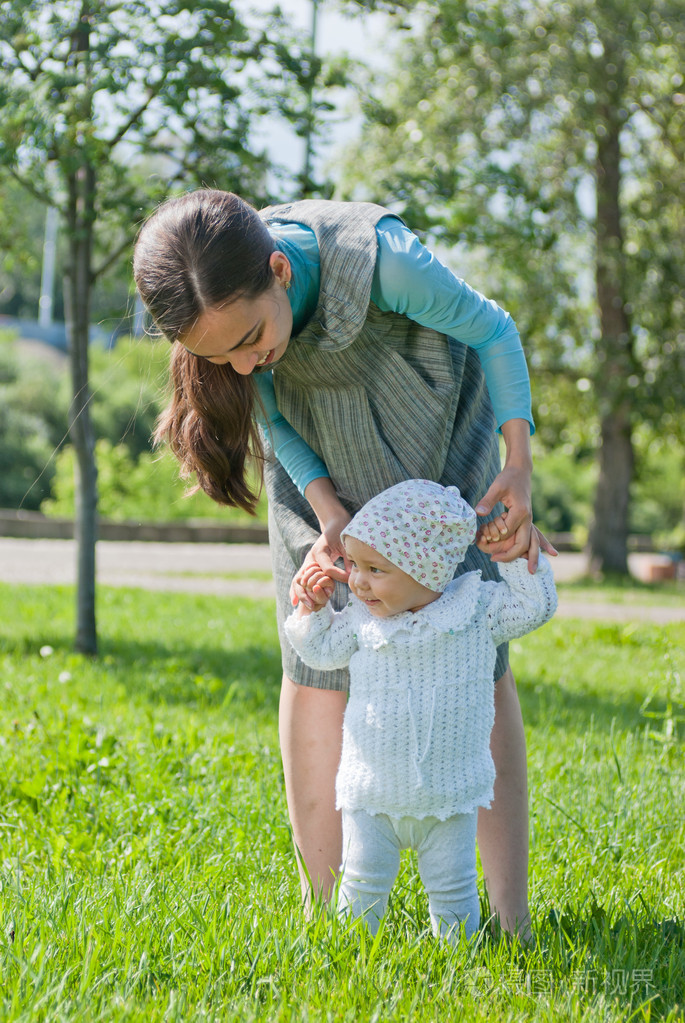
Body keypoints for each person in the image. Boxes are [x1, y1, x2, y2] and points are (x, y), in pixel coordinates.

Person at [132, 188, 557, 939]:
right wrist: (329, 515)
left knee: (471, 649)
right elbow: (274, 418)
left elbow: (495, 330)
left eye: (251, 336)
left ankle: (507, 915)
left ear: (278, 270)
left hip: (437, 446)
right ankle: (328, 915)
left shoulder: (384, 263)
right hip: (317, 467)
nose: (242, 361)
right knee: (316, 661)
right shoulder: (242, 335)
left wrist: (518, 465)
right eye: (218, 355)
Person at [284, 480, 558, 944]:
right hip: (373, 796)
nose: (358, 581)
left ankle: (461, 961)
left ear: (426, 570)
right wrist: (313, 612)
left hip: (448, 798)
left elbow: (536, 606)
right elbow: (322, 654)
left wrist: (512, 559)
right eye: (353, 566)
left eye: (375, 569)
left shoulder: (474, 610)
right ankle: (351, 960)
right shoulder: (361, 619)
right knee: (362, 887)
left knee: (454, 893)